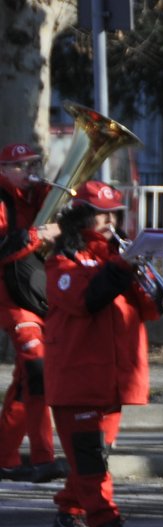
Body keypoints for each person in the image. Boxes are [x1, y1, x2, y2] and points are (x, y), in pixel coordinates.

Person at [44, 180, 162, 527]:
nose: (109, 220)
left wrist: (149, 281)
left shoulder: (118, 256)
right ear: (82, 217)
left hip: (114, 376)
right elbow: (86, 300)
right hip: (78, 376)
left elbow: (148, 310)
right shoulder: (63, 260)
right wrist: (120, 267)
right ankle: (105, 523)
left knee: (93, 454)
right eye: (100, 214)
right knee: (92, 458)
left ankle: (68, 514)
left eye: (113, 212)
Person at [0, 142, 63, 484]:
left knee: (28, 379)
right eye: (20, 166)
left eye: (32, 164)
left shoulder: (33, 194)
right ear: (4, 170)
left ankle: (6, 456)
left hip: (36, 294)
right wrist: (39, 235)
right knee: (37, 369)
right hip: (9, 298)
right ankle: (42, 457)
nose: (28, 171)